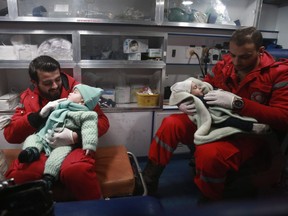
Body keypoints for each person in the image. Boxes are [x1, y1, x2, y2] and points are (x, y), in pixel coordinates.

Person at [142, 26, 288, 201]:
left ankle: (211, 199)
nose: (236, 62)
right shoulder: (225, 65)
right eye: (233, 55)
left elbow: (283, 118)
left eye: (244, 57)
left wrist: (238, 104)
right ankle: (148, 181)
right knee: (171, 124)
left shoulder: (279, 74)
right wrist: (184, 99)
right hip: (216, 121)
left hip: (250, 132)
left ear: (261, 51)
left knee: (209, 154)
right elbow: (204, 86)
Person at [3, 55, 110, 200]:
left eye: (58, 79)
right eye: (47, 83)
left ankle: (96, 208)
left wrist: (76, 136)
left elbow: (102, 121)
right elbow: (11, 135)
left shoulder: (78, 92)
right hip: (43, 146)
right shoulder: (28, 98)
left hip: (74, 146)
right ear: (34, 82)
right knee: (23, 174)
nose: (54, 86)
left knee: (76, 170)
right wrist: (38, 116)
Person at [17, 84, 103, 192]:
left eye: (75, 92)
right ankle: (31, 151)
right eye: (72, 91)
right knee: (32, 138)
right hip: (45, 136)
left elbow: (90, 128)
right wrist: (39, 115)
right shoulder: (60, 105)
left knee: (58, 156)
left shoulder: (86, 114)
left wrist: (87, 143)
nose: (71, 93)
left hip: (64, 144)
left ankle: (49, 177)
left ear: (82, 101)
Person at [169, 77, 270, 145]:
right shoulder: (199, 100)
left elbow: (206, 84)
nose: (200, 87)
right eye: (195, 88)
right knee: (233, 121)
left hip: (228, 112)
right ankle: (252, 127)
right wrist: (180, 102)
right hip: (216, 119)